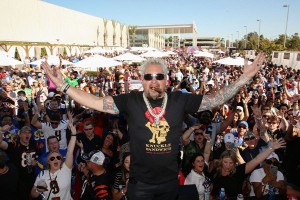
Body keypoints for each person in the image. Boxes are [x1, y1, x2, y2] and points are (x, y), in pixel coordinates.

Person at [42, 53, 266, 199]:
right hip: (140, 185)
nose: (154, 80)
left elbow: (214, 99)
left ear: (166, 79)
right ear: (142, 78)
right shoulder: (131, 100)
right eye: (148, 76)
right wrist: (63, 85)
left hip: (169, 183)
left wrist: (243, 78)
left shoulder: (179, 99)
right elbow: (95, 102)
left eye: (159, 76)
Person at [211, 138, 285, 198]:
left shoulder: (239, 171)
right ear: (221, 161)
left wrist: (272, 148)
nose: (228, 165)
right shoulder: (215, 172)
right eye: (225, 162)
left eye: (231, 163)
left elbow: (256, 160)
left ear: (235, 163)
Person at [31, 116, 77, 200]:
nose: (54, 145)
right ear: (48, 146)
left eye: (55, 142)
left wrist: (73, 134)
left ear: (58, 143)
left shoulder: (66, 152)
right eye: (51, 144)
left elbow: (72, 162)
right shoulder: (42, 158)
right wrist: (38, 189)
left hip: (66, 187)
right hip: (48, 190)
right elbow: (38, 177)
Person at [0, 126, 38, 200]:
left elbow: (38, 157)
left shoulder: (34, 144)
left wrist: (36, 162)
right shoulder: (14, 145)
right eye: (24, 132)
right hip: (18, 180)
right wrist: (1, 131)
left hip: (32, 178)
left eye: (29, 132)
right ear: (20, 135)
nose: (27, 134)